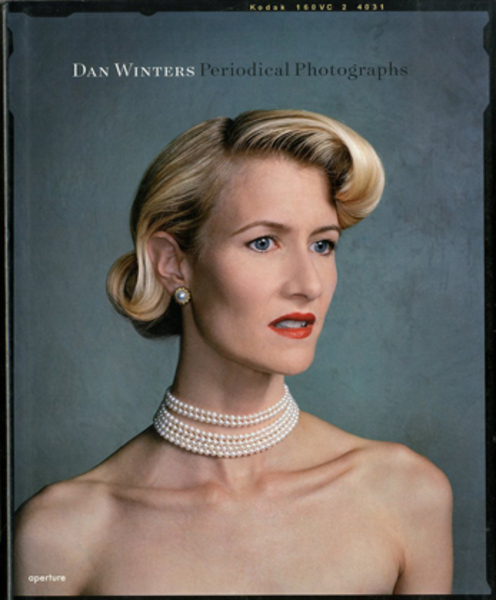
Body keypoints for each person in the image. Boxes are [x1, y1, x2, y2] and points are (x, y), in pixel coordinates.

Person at [14, 109, 453, 595]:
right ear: (172, 264)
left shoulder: (405, 494)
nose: (308, 284)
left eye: (323, 245)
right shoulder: (61, 535)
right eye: (263, 242)